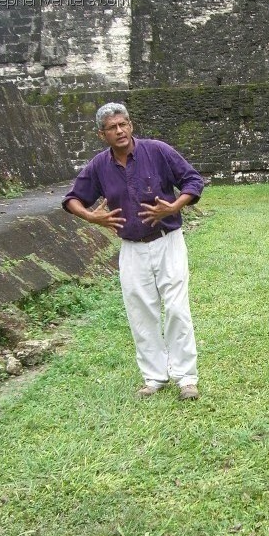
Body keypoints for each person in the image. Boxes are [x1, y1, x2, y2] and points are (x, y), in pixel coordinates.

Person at [62, 102, 204, 400]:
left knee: (177, 307)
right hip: (131, 248)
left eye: (123, 124)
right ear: (102, 134)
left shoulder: (157, 151)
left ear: (131, 125)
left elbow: (193, 180)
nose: (120, 131)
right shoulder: (100, 166)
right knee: (141, 312)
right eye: (112, 128)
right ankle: (154, 377)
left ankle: (186, 378)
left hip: (168, 240)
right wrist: (92, 217)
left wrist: (175, 205)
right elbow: (73, 198)